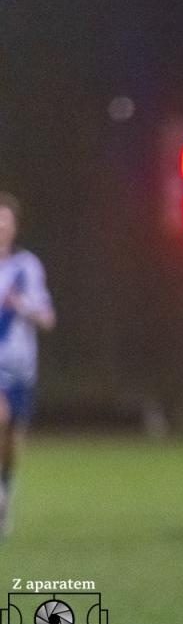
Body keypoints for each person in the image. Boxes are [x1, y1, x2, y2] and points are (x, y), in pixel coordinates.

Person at [0, 193, 55, 535]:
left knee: (13, 441)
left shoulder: (27, 267)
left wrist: (20, 304)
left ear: (15, 227)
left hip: (22, 368)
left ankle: (5, 491)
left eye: (5, 221)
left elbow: (48, 318)